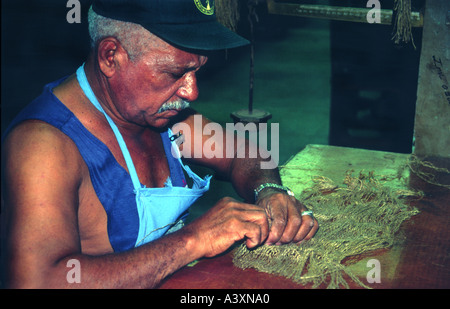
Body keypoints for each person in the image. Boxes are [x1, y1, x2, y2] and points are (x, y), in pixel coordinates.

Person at [1, 0, 318, 288]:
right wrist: (192, 240)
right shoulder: (44, 147)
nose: (191, 93)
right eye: (174, 73)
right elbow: (37, 280)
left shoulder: (164, 120)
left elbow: (247, 154)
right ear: (111, 57)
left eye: (196, 71)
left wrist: (269, 191)